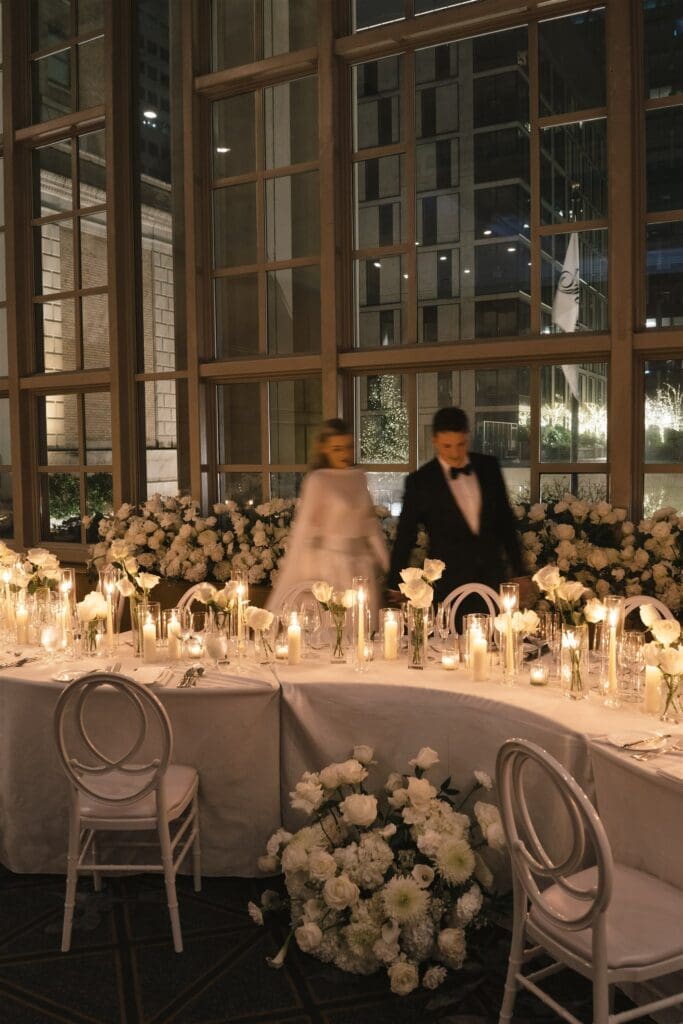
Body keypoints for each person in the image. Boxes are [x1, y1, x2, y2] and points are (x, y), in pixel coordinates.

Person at [387, 406, 526, 612]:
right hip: (448, 583)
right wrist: (394, 584)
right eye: (447, 446)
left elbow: (505, 522)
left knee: (496, 640)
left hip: (491, 577)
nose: (454, 453)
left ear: (468, 436)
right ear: (434, 440)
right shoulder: (421, 481)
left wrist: (520, 572)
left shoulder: (489, 467)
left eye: (460, 445)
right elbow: (405, 536)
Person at [267, 419, 389, 621]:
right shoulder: (318, 480)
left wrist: (389, 567)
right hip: (331, 568)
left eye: (348, 448)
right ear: (324, 449)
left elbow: (370, 527)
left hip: (361, 569)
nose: (344, 454)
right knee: (335, 628)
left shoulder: (360, 477)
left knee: (363, 630)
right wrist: (295, 574)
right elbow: (304, 529)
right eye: (337, 449)